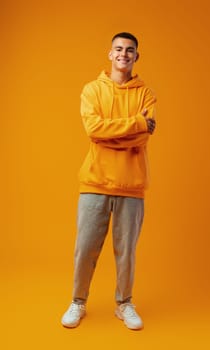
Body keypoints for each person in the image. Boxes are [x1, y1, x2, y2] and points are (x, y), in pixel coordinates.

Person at [61, 32, 156, 330]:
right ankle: (78, 302)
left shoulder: (146, 94)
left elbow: (143, 136)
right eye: (119, 49)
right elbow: (93, 130)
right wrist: (136, 124)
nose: (124, 54)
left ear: (136, 56)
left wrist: (117, 133)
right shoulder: (91, 90)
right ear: (110, 54)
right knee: (85, 247)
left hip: (132, 183)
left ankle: (124, 303)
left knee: (127, 250)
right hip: (95, 181)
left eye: (130, 50)